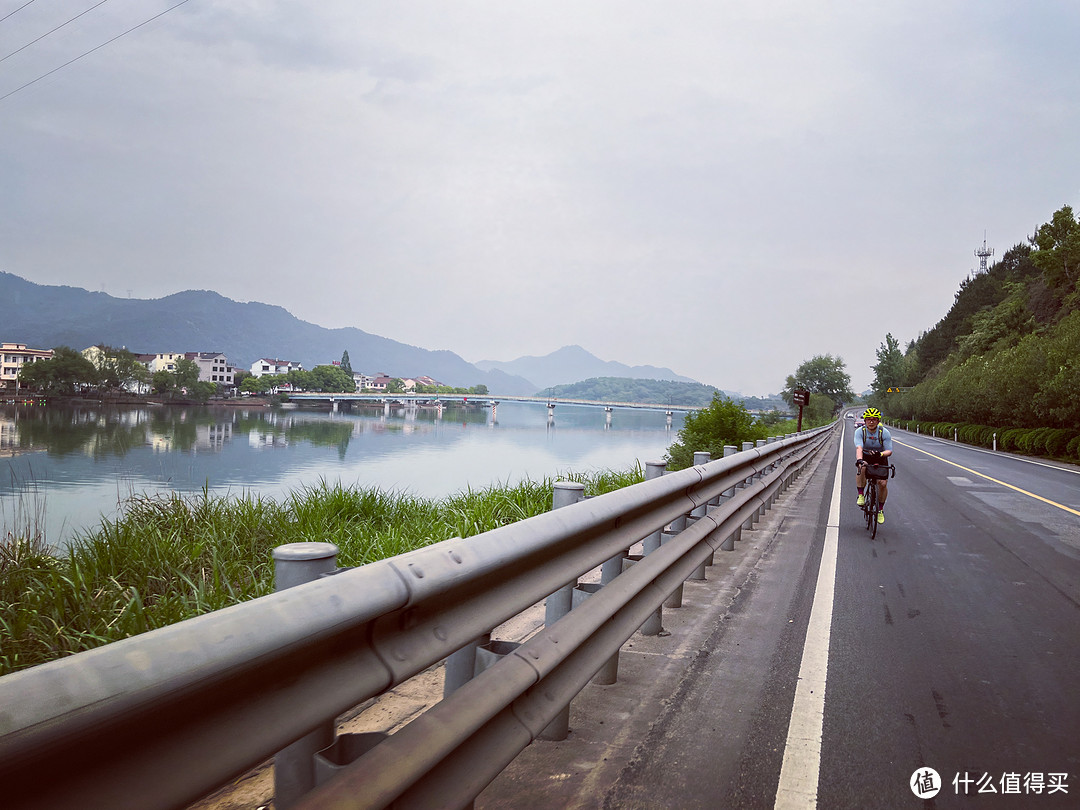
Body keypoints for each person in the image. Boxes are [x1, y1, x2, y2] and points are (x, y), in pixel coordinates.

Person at [854, 407, 893, 524]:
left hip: (880, 456)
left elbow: (889, 451)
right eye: (868, 419)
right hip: (865, 455)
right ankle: (861, 495)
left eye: (874, 419)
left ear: (878, 421)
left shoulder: (884, 432)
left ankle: (880, 510)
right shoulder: (860, 432)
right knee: (862, 467)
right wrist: (860, 460)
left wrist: (880, 454)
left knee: (882, 483)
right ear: (865, 421)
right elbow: (859, 447)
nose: (871, 422)